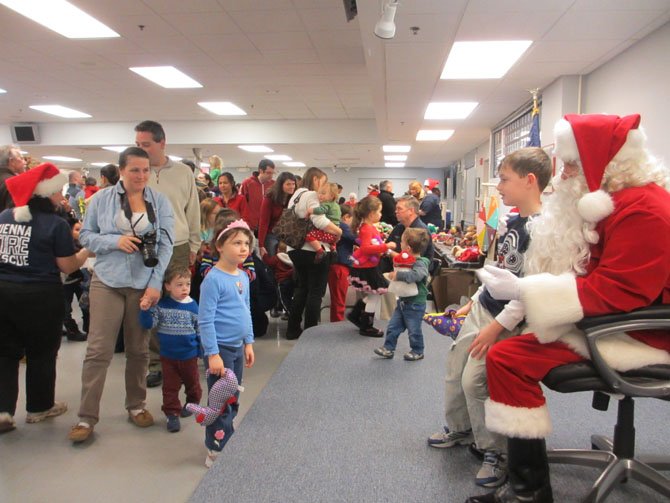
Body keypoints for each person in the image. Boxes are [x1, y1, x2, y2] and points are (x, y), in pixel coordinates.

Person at [467, 114, 670, 503]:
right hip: (614, 320)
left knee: (508, 358)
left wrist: (527, 288)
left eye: (573, 166)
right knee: (508, 352)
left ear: (604, 163)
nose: (560, 177)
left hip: (641, 331)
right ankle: (527, 484)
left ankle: (529, 494)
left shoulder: (643, 209)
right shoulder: (619, 201)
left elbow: (620, 292)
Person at [428, 147, 552, 490]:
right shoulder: (514, 222)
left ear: (530, 181)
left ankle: (494, 450)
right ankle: (461, 427)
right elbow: (500, 271)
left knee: (475, 382)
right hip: (485, 310)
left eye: (505, 179)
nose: (499, 186)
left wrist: (497, 327)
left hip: (508, 322)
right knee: (455, 370)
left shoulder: (544, 231)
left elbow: (528, 291)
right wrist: (475, 302)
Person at [68, 147, 175, 443]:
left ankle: (137, 405)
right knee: (98, 350)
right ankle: (86, 417)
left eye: (145, 170)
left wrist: (155, 284)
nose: (141, 176)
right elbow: (86, 236)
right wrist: (115, 241)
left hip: (143, 283)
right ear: (121, 171)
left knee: (139, 349)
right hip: (108, 281)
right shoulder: (101, 199)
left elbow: (164, 245)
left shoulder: (159, 200)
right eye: (134, 170)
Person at [0, 163, 91, 434]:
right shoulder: (56, 225)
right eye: (58, 192)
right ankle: (39, 407)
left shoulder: (4, 216)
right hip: (40, 295)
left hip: (3, 292)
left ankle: (3, 411)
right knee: (41, 352)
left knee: (4, 353)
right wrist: (86, 252)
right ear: (47, 194)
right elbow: (66, 265)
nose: (62, 197)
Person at [135, 120, 200, 388]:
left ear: (162, 143)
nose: (141, 149)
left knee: (178, 302)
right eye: (138, 145)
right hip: (145, 246)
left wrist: (195, 246)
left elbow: (192, 209)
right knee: (151, 302)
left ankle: (183, 356)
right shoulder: (137, 172)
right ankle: (154, 362)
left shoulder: (183, 172)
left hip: (178, 246)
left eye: (146, 144)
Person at [198, 215, 255, 467]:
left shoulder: (243, 277)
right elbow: (205, 320)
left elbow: (247, 310)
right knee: (219, 402)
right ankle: (215, 448)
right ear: (219, 246)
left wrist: (249, 342)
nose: (243, 248)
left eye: (246, 243)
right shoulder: (213, 279)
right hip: (219, 350)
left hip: (236, 347)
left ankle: (226, 435)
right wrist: (212, 353)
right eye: (236, 243)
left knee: (233, 397)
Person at [139, 266, 201, 433]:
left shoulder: (193, 305)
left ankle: (193, 402)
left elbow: (199, 329)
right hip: (168, 357)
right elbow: (148, 324)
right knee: (169, 387)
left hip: (189, 355)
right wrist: (145, 310)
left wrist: (202, 350)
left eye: (187, 284)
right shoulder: (162, 306)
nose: (184, 288)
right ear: (167, 286)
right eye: (179, 284)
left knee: (192, 382)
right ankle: (172, 413)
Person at [285, 167, 342, 340]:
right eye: (323, 183)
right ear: (316, 180)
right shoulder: (311, 195)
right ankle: (311, 332)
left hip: (295, 249)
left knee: (302, 289)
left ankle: (293, 329)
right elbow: (319, 220)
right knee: (316, 292)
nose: (323, 189)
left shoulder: (296, 195)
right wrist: (338, 231)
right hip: (313, 250)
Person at [373, 227, 431, 361]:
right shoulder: (407, 260)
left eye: (402, 242)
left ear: (408, 248)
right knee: (393, 326)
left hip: (416, 303)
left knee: (414, 330)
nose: (400, 244)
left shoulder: (420, 263)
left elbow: (418, 275)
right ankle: (388, 348)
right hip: (403, 302)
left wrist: (398, 275)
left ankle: (418, 350)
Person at [347, 196, 396, 337]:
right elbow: (366, 248)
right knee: (375, 296)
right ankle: (367, 326)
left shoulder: (367, 227)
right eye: (379, 212)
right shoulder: (367, 229)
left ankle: (356, 315)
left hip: (369, 266)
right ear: (371, 214)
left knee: (372, 295)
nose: (381, 215)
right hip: (367, 268)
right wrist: (386, 246)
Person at [62, 217, 90, 342]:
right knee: (65, 308)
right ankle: (72, 330)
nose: (80, 232)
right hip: (65, 282)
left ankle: (88, 327)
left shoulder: (81, 244)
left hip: (79, 280)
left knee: (86, 305)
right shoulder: (67, 247)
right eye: (77, 229)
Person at [258, 171, 296, 256]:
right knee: (272, 260)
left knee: (287, 262)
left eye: (293, 184)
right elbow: (263, 222)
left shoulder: (293, 198)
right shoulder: (269, 198)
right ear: (281, 185)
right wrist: (260, 245)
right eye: (288, 184)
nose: (292, 187)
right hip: (271, 234)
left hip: (286, 235)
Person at [328, 204, 355, 322]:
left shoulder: (333, 225)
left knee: (337, 299)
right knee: (339, 300)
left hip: (335, 266)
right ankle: (337, 325)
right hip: (340, 267)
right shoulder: (343, 227)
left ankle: (335, 323)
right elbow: (357, 239)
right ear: (346, 217)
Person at [305, 182, 341, 263]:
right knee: (332, 240)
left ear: (332, 196)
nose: (320, 195)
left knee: (309, 236)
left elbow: (321, 211)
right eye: (319, 193)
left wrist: (311, 210)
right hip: (335, 235)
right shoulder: (336, 205)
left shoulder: (326, 204)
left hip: (329, 232)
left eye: (323, 193)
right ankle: (333, 248)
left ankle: (320, 251)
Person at [240, 159, 275, 234]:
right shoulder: (247, 183)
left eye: (272, 173)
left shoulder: (274, 185)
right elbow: (241, 204)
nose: (271, 176)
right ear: (261, 171)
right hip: (251, 227)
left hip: (268, 227)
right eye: (268, 173)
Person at [0, 145, 27, 209]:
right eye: (22, 158)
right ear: (12, 161)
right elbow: (14, 214)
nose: (25, 162)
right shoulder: (14, 182)